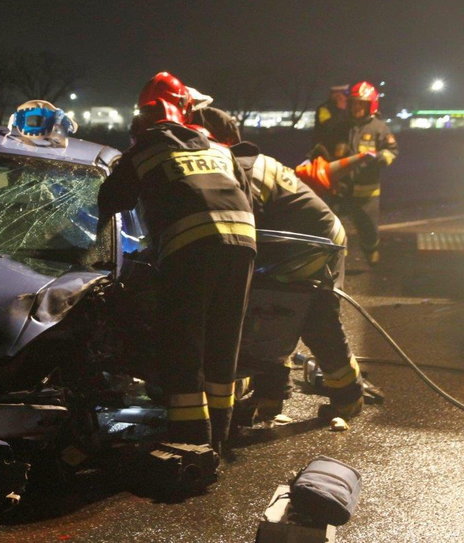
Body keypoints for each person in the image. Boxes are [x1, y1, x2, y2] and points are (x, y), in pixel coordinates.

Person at [97, 72, 256, 453]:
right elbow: (246, 197)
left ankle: (190, 441)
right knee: (223, 343)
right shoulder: (218, 147)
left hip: (189, 250)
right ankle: (222, 436)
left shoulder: (146, 148)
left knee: (183, 345)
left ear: (142, 118)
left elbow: (110, 201)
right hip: (243, 245)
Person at [201, 111, 364, 421]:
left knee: (316, 322)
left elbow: (243, 223)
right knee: (268, 316)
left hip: (314, 248)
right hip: (289, 247)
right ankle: (270, 397)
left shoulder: (243, 169)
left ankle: (348, 399)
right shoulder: (242, 163)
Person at [330, 81, 399, 265]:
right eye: (354, 103)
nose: (357, 107)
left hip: (367, 193)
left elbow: (392, 151)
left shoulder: (379, 128)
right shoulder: (341, 127)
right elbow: (327, 151)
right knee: (332, 226)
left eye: (362, 103)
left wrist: (380, 158)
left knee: (368, 228)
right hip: (340, 189)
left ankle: (371, 251)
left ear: (371, 105)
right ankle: (333, 261)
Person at [310, 84, 349, 159]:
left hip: (345, 149)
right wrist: (340, 110)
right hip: (326, 151)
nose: (343, 97)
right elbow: (328, 126)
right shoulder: (324, 108)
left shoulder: (349, 108)